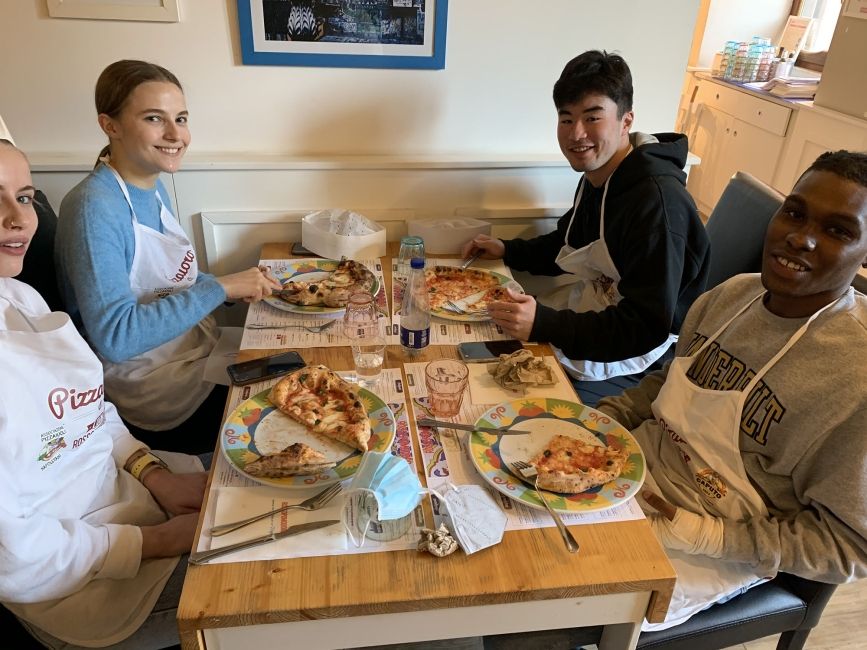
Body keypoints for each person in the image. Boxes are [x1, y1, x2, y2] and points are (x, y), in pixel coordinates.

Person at [600, 149, 867, 630]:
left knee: (541, 608)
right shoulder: (731, 296)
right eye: (794, 211)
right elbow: (666, 383)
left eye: (838, 231)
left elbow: (849, 546)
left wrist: (709, 537)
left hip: (714, 545)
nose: (801, 237)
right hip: (628, 473)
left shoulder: (856, 377)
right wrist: (600, 421)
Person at [1, 138, 207, 649]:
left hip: (134, 495)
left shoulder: (20, 296)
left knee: (295, 485)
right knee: (285, 564)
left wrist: (153, 474)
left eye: (24, 197)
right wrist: (154, 542)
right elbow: (17, 557)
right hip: (85, 579)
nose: (18, 219)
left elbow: (90, 408)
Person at [56, 60, 280, 453]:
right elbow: (116, 337)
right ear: (110, 125)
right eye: (154, 119)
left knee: (289, 360)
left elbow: (166, 285)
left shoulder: (151, 188)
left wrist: (227, 288)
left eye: (181, 118)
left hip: (190, 353)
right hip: (152, 392)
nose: (176, 134)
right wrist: (220, 287)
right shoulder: (94, 206)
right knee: (287, 403)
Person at [461, 51, 710, 404]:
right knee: (478, 346)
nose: (577, 134)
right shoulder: (601, 175)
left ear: (626, 121)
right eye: (566, 119)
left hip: (642, 358)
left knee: (508, 395)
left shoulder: (657, 205)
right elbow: (566, 243)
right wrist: (507, 249)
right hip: (596, 311)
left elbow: (646, 326)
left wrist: (544, 324)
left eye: (593, 117)